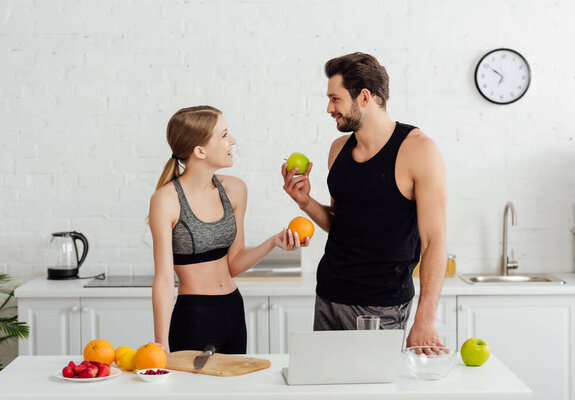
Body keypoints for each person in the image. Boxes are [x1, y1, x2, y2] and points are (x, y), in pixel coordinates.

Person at [281, 53, 447, 348]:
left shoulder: (419, 150)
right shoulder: (338, 149)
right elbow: (339, 223)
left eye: (335, 99)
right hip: (329, 296)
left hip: (381, 307)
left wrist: (425, 320)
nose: (329, 108)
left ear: (365, 97)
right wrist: (305, 202)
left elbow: (434, 242)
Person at [149, 105, 307, 354]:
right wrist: (161, 344)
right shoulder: (166, 200)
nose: (232, 141)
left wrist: (272, 242)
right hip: (193, 316)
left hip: (232, 309)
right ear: (200, 150)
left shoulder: (234, 190)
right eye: (223, 135)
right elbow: (164, 279)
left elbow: (233, 264)